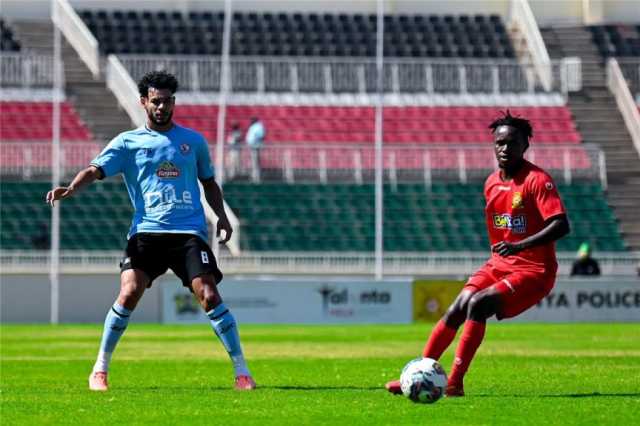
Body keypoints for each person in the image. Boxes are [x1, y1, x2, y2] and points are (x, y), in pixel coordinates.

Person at [45, 70, 256, 392]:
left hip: (188, 233)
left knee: (209, 295)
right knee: (129, 291)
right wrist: (71, 189)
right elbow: (94, 169)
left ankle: (242, 373)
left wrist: (222, 217)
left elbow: (209, 182)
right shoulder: (128, 142)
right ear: (144, 102)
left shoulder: (193, 141)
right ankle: (99, 370)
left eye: (167, 101)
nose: (162, 107)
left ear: (174, 102)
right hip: (146, 232)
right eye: (156, 101)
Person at [385, 111, 570, 397]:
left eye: (512, 143)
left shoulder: (537, 180)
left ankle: (454, 382)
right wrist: (508, 252)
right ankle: (420, 373)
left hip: (534, 271)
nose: (505, 148)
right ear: (494, 145)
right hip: (499, 264)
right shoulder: (491, 183)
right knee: (458, 306)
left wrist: (520, 246)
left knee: (479, 304)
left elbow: (561, 225)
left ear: (525, 146)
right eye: (500, 143)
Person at [245, 116, 265, 183]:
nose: (251, 121)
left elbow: (261, 135)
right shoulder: (253, 126)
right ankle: (254, 176)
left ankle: (256, 177)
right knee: (254, 162)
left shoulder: (258, 126)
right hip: (252, 146)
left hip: (255, 146)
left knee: (255, 162)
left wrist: (255, 140)